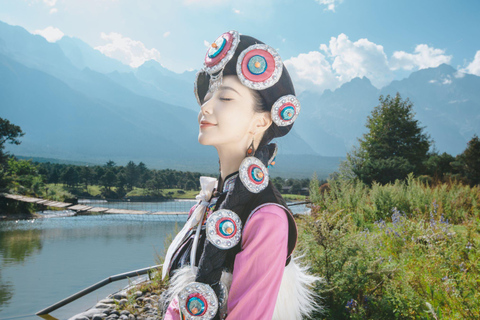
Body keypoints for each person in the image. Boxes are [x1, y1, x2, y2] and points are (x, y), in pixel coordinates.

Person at [161, 31, 319, 320]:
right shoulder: (211, 201)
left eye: (226, 98)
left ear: (261, 120)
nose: (206, 107)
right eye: (209, 96)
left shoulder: (265, 216)